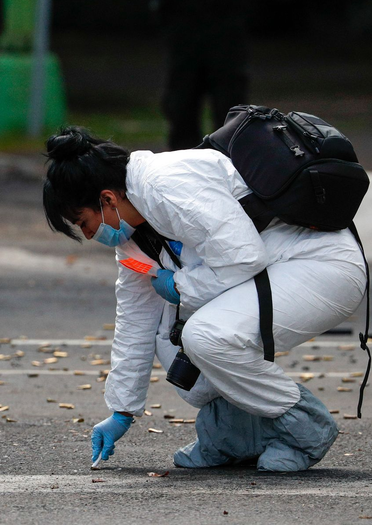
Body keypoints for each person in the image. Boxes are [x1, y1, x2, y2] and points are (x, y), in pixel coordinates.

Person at [42, 126, 366, 472]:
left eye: (85, 223)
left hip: (318, 267)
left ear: (107, 199)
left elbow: (243, 257)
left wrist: (181, 286)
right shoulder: (133, 239)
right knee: (174, 346)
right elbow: (135, 321)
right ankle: (231, 438)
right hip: (269, 273)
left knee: (205, 338)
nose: (90, 235)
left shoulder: (165, 185)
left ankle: (305, 429)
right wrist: (121, 410)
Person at [151, 0, 252, 150]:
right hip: (184, 43)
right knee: (182, 107)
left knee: (230, 109)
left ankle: (230, 158)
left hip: (227, 45)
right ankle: (183, 163)